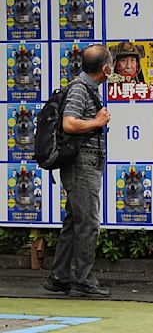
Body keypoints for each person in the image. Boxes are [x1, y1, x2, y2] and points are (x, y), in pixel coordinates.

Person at [43, 44, 112, 298]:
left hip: (85, 165)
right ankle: (83, 279)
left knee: (74, 223)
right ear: (105, 69)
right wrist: (98, 121)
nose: (113, 69)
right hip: (82, 166)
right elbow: (69, 123)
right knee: (88, 224)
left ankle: (59, 277)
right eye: (111, 64)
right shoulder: (80, 89)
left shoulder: (86, 88)